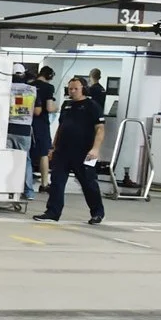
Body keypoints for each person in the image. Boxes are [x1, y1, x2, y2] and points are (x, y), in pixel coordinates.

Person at [35, 77, 106, 225]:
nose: (72, 91)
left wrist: (95, 149)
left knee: (88, 183)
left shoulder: (92, 106)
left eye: (76, 89)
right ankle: (52, 212)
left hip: (85, 152)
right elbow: (61, 127)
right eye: (70, 89)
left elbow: (100, 129)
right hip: (63, 151)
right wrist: (53, 147)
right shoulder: (66, 105)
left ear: (83, 89)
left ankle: (97, 212)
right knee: (57, 182)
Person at [6, 68, 38, 201]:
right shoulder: (32, 90)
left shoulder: (6, 88)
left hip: (7, 128)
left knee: (6, 159)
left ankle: (6, 188)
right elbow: (37, 110)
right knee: (25, 160)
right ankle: (28, 191)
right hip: (24, 129)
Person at [32, 65, 58, 191]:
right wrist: (57, 108)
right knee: (43, 153)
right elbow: (49, 107)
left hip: (27, 122)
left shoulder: (29, 85)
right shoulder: (48, 87)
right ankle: (44, 183)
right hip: (41, 123)